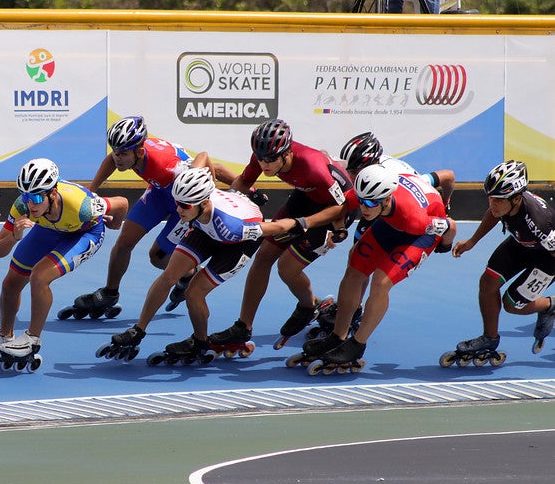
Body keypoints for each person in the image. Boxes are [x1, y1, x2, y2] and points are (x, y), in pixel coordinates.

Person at [102, 167, 299, 363]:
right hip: (204, 227)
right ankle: (138, 330)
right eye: (177, 203)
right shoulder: (193, 205)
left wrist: (305, 224)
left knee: (193, 294)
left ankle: (199, 341)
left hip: (236, 244)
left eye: (185, 206)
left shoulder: (231, 226)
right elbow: (205, 164)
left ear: (203, 203)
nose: (179, 210)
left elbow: (279, 226)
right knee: (169, 276)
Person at [0, 158, 128, 368]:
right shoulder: (23, 207)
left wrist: (116, 224)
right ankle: (5, 334)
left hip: (85, 233)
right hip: (49, 229)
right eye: (26, 196)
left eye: (37, 197)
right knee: (11, 283)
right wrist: (14, 237)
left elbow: (122, 203)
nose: (31, 203)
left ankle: (33, 339)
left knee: (40, 276)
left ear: (53, 193)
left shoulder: (82, 206)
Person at [72, 115, 235, 318]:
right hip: (159, 193)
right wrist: (91, 192)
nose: (117, 158)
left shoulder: (165, 165)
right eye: (115, 152)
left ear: (139, 152)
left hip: (181, 203)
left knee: (157, 258)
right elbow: (110, 161)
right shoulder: (131, 150)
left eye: (122, 154)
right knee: (124, 242)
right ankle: (110, 293)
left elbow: (211, 165)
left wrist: (234, 189)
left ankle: (188, 275)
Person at [298, 164, 456, 372]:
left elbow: (451, 226)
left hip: (420, 234)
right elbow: (343, 206)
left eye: (371, 203)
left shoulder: (415, 219)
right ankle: (337, 336)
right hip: (391, 223)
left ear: (387, 198)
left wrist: (446, 244)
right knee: (354, 267)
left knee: (380, 282)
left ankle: (358, 344)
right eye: (362, 201)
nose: (364, 208)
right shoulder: (369, 191)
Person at [224, 119, 356, 349]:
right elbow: (244, 182)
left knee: (286, 268)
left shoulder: (313, 166)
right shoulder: (263, 156)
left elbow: (342, 205)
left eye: (271, 159)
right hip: (306, 197)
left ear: (286, 154)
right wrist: (224, 206)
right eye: (260, 157)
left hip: (336, 211)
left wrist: (307, 223)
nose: (264, 164)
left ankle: (307, 306)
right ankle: (243, 327)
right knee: (263, 255)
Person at [314, 131, 456, 335]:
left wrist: (445, 208)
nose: (352, 177)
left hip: (408, 212)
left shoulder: (398, 177)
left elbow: (447, 177)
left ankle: (355, 312)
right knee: (356, 259)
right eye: (351, 171)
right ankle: (351, 309)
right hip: (377, 203)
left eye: (356, 171)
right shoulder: (366, 173)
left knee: (373, 273)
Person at [451, 160, 555, 357]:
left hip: (548, 257)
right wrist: (472, 241)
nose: (493, 204)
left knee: (511, 305)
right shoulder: (506, 203)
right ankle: (489, 338)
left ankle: (549, 305)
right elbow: (493, 214)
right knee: (487, 283)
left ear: (516, 199)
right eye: (491, 198)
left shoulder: (538, 223)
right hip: (523, 244)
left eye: (498, 200)